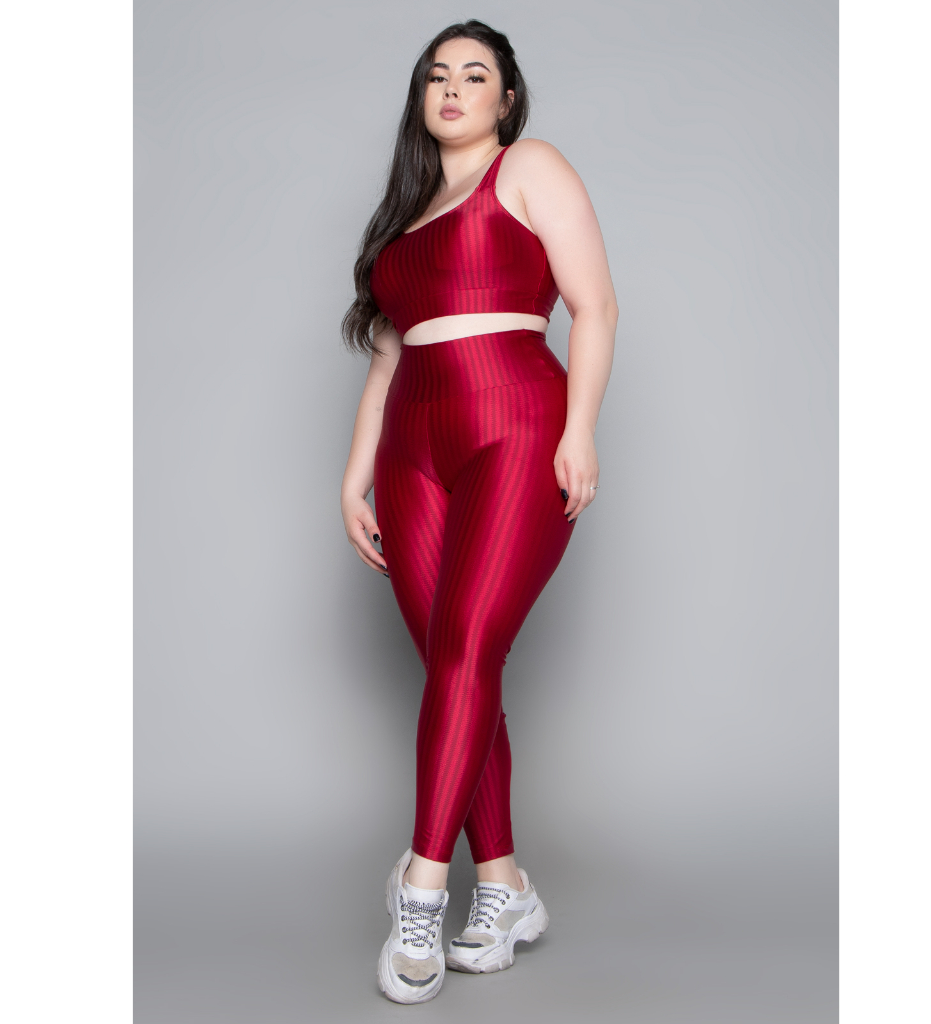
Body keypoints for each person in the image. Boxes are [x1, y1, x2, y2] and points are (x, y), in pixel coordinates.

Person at [339, 19, 617, 1004]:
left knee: (465, 647)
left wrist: (579, 430)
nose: (452, 87)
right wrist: (354, 477)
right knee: (458, 663)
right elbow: (386, 361)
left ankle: (420, 887)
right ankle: (504, 886)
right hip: (412, 450)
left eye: (475, 74)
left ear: (506, 99)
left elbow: (596, 306)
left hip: (516, 425)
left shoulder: (529, 167)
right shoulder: (402, 218)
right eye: (437, 75)